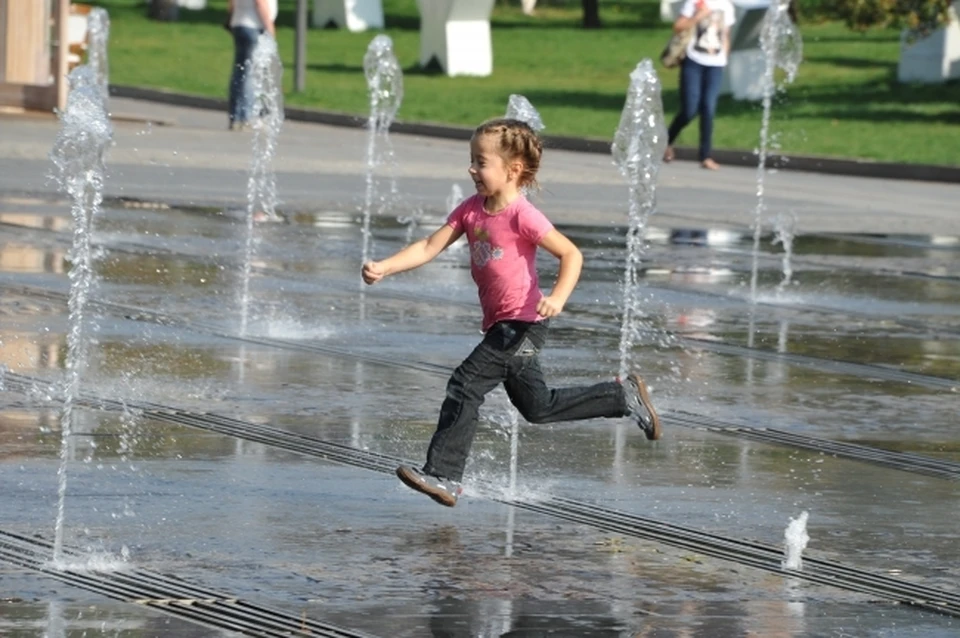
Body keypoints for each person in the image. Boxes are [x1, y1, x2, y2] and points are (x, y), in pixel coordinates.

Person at [361, 118, 662, 508]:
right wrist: (385, 266)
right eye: (471, 160)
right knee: (538, 407)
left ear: (513, 169)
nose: (472, 169)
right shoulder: (471, 210)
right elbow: (428, 245)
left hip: (522, 325)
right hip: (503, 327)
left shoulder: (523, 214)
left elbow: (571, 253)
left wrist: (557, 297)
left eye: (481, 162)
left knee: (465, 385)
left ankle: (444, 475)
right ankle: (622, 397)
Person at [663, 0, 736, 170]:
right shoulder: (695, 2)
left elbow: (726, 34)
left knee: (708, 108)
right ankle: (666, 141)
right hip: (693, 61)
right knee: (689, 110)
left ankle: (706, 156)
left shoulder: (727, 6)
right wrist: (698, 16)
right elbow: (678, 26)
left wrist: (724, 57)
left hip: (716, 64)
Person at [226, 0, 277, 131]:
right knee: (249, 73)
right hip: (253, 25)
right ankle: (246, 117)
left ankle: (235, 116)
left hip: (239, 23)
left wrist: (232, 18)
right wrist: (269, 27)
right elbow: (260, 3)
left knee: (239, 71)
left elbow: (231, 4)